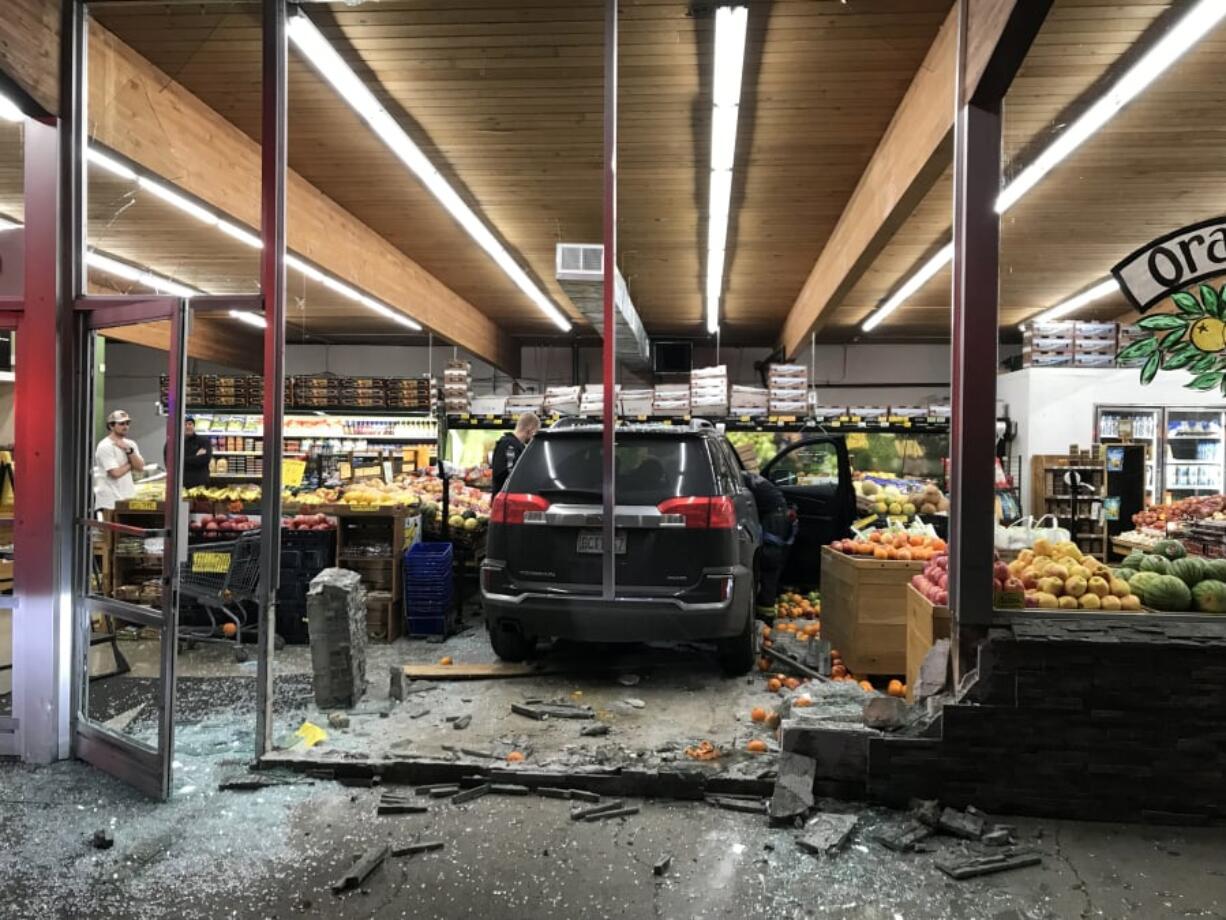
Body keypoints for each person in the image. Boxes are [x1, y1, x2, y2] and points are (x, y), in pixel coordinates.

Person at [743, 470, 796, 619]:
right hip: (778, 513)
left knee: (769, 562)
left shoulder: (737, 480)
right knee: (770, 561)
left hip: (775, 517)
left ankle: (765, 614)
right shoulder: (747, 476)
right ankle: (765, 608)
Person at [93, 409, 146, 511]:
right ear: (111, 426)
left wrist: (129, 450)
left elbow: (140, 467)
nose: (125, 426)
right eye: (121, 424)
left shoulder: (130, 444)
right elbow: (115, 473)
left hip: (127, 498)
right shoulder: (105, 446)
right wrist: (131, 463)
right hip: (109, 501)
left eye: (127, 423)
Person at [491, 411, 540, 493]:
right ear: (530, 429)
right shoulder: (509, 445)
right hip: (505, 500)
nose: (534, 437)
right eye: (535, 432)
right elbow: (508, 475)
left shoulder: (517, 446)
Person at [165, 416, 213, 489]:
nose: (187, 426)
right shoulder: (171, 443)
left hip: (200, 484)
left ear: (194, 426)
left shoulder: (204, 441)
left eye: (190, 424)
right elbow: (170, 463)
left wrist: (180, 459)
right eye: (184, 424)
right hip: (179, 484)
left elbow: (205, 459)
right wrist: (195, 457)